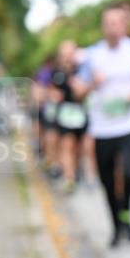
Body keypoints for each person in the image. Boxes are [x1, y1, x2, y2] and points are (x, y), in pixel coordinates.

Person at [75, 6, 130, 247]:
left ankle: (126, 213)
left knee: (128, 173)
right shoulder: (92, 55)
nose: (113, 27)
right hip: (102, 126)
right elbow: (78, 90)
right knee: (106, 179)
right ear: (102, 27)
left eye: (118, 23)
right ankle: (117, 225)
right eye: (108, 23)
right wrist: (92, 84)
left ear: (125, 25)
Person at [50, 40, 87, 193]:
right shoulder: (57, 73)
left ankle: (76, 169)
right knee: (67, 145)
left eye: (70, 53)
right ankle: (69, 177)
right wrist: (54, 95)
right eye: (65, 53)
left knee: (79, 147)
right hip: (65, 113)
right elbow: (53, 91)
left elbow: (84, 92)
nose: (67, 57)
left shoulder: (82, 70)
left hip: (81, 112)